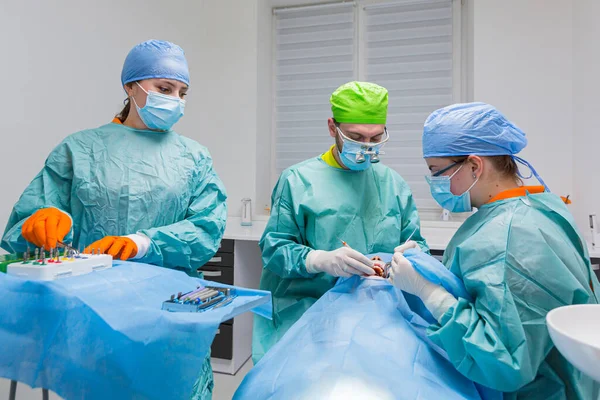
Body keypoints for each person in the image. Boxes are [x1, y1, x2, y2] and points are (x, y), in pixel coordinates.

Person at [1, 39, 227, 400]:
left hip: (168, 310)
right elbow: (25, 227)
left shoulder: (194, 158)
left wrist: (143, 243)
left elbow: (206, 228)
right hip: (95, 314)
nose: (175, 100)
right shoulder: (79, 149)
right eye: (164, 88)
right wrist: (41, 218)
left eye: (182, 92)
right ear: (131, 87)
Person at [389, 102, 600, 399]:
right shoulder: (540, 204)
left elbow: (505, 360)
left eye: (437, 171)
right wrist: (431, 268)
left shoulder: (507, 237)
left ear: (475, 166)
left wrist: (429, 292)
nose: (434, 182)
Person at [252, 81, 428, 363]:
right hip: (308, 317)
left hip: (377, 319)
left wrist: (403, 262)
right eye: (356, 136)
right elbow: (275, 249)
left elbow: (416, 246)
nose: (367, 147)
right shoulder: (297, 180)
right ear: (333, 128)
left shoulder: (393, 184)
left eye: (375, 137)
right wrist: (318, 259)